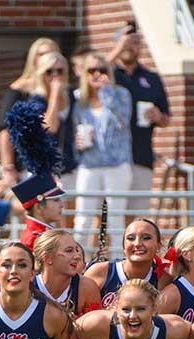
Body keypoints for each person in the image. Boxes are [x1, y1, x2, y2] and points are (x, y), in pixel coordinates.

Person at [108, 22, 170, 217]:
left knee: (138, 214)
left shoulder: (151, 78)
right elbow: (93, 73)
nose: (129, 46)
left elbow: (166, 118)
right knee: (107, 214)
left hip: (141, 155)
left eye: (135, 42)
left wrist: (158, 116)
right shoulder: (108, 74)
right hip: (112, 159)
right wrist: (118, 48)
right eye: (126, 41)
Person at [73, 53, 132, 255]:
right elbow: (73, 132)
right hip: (89, 164)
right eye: (92, 70)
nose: (97, 74)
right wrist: (78, 144)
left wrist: (106, 93)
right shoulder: (78, 100)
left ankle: (117, 263)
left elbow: (123, 121)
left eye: (103, 70)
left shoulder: (121, 94)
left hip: (117, 164)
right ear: (84, 74)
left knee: (115, 217)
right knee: (83, 217)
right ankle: (78, 261)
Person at [0, 38, 61, 191]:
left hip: (60, 165)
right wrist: (8, 168)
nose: (48, 58)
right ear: (33, 59)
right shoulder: (19, 90)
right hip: (27, 165)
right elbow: (5, 131)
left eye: (52, 54)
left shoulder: (61, 88)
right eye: (42, 54)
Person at [31, 52, 78, 196]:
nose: (55, 75)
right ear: (41, 74)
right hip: (46, 168)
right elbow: (50, 127)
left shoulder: (71, 95)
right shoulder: (36, 99)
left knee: (72, 214)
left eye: (60, 71)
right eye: (49, 71)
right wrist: (54, 95)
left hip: (70, 165)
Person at [10, 171, 66, 252]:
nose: (61, 205)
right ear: (38, 207)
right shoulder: (35, 239)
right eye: (56, 200)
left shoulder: (43, 233)